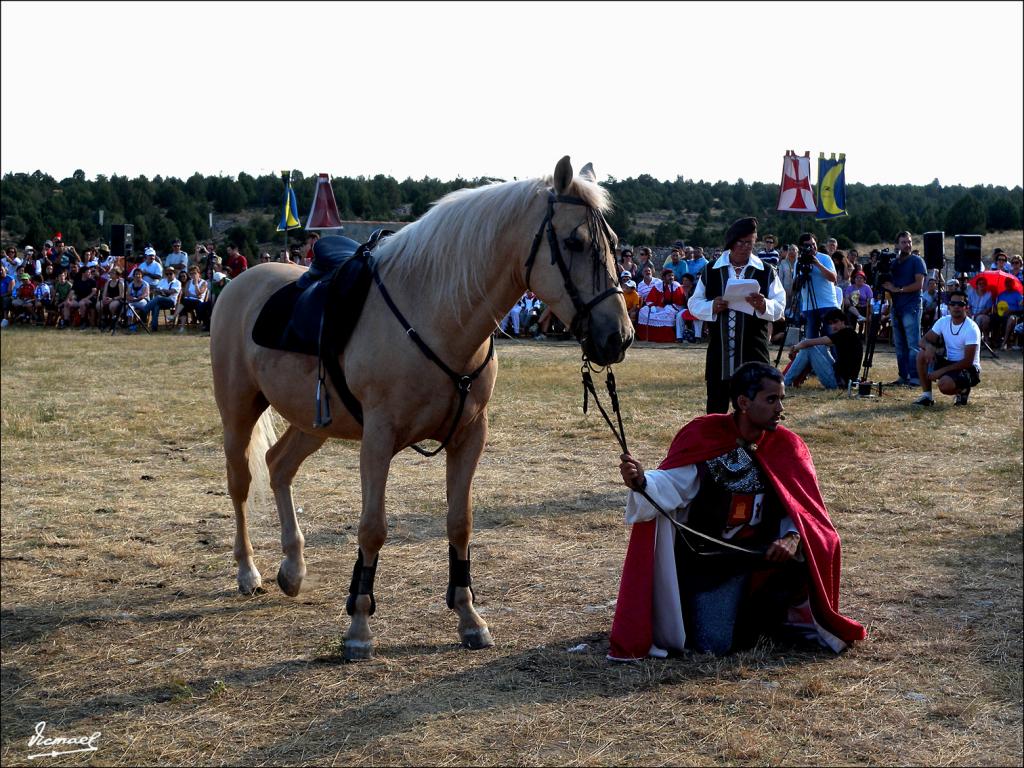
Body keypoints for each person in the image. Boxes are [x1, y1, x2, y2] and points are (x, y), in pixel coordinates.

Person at [609, 362, 866, 659]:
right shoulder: (705, 434)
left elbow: (803, 511)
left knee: (810, 551)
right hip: (713, 564)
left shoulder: (788, 445)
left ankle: (766, 616)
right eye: (771, 399)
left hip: (765, 560)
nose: (780, 408)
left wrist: (793, 537)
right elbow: (674, 483)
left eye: (782, 398)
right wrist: (642, 481)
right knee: (713, 645)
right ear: (744, 402)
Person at [688, 217, 786, 414]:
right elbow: (693, 303)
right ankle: (718, 444)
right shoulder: (711, 270)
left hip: (754, 350)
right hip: (719, 352)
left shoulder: (766, 271)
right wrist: (711, 306)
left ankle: (750, 443)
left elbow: (780, 305)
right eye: (740, 242)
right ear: (731, 243)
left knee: (755, 403)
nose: (744, 247)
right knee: (716, 404)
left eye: (749, 242)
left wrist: (763, 304)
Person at [914, 289, 981, 407]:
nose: (956, 307)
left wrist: (940, 371)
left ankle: (963, 390)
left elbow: (968, 361)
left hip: (968, 368)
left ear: (966, 307)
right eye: (953, 304)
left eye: (960, 304)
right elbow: (922, 341)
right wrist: (929, 347)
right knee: (921, 354)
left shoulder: (971, 328)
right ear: (948, 306)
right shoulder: (943, 321)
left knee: (944, 386)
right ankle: (927, 396)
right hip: (950, 362)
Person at [881, 231, 927, 387]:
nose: (907, 245)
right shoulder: (894, 263)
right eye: (903, 242)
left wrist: (897, 289)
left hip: (911, 306)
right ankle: (903, 376)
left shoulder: (917, 261)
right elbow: (886, 282)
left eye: (909, 242)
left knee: (913, 344)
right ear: (897, 245)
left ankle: (915, 377)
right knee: (899, 345)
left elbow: (919, 285)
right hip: (897, 307)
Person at [784, 309, 863, 390]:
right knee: (820, 347)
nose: (833, 326)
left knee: (808, 348)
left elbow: (808, 343)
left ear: (843, 320)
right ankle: (790, 379)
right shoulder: (850, 333)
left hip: (838, 382)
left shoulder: (843, 334)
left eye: (835, 322)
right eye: (830, 323)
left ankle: (785, 382)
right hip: (843, 378)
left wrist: (794, 348)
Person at [791, 233, 840, 339]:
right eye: (808, 245)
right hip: (809, 307)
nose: (812, 247)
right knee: (810, 340)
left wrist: (817, 264)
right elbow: (795, 286)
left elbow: (833, 278)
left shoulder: (825, 258)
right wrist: (802, 274)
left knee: (833, 340)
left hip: (828, 304)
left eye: (813, 244)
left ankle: (835, 356)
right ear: (801, 247)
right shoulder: (799, 262)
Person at [143, 266, 181, 331]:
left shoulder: (177, 282)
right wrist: (161, 291)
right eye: (167, 274)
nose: (168, 275)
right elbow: (156, 290)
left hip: (171, 302)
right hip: (161, 300)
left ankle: (144, 310)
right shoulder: (163, 281)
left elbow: (171, 291)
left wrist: (162, 290)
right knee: (156, 306)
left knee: (157, 298)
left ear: (174, 274)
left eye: (170, 273)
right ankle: (154, 327)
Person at [172, 265, 207, 332]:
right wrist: (195, 296)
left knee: (184, 303)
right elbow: (186, 293)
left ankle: (174, 316)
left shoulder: (204, 283)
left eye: (194, 273)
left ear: (198, 273)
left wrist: (196, 283)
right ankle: (182, 327)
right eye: (191, 274)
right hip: (188, 301)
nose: (193, 275)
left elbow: (199, 293)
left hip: (199, 302)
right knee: (183, 304)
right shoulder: (189, 282)